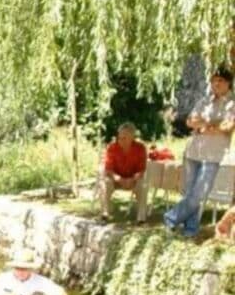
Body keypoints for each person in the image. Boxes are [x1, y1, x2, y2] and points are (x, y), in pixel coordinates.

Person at [164, 67, 235, 238]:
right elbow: (190, 121)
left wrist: (204, 125)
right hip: (193, 152)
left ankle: (171, 217)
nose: (216, 84)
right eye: (214, 80)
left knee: (199, 194)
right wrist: (212, 124)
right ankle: (190, 231)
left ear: (228, 84)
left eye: (220, 81)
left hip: (213, 155)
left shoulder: (232, 104)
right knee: (190, 193)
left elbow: (227, 127)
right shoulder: (204, 101)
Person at [97, 122, 148, 223]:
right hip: (115, 179)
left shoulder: (140, 148)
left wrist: (132, 179)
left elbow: (141, 170)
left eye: (124, 138)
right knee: (105, 183)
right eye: (119, 137)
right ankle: (105, 214)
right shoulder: (112, 148)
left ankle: (141, 218)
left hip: (133, 179)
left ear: (132, 137)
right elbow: (108, 169)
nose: (120, 140)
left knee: (143, 185)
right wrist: (119, 179)